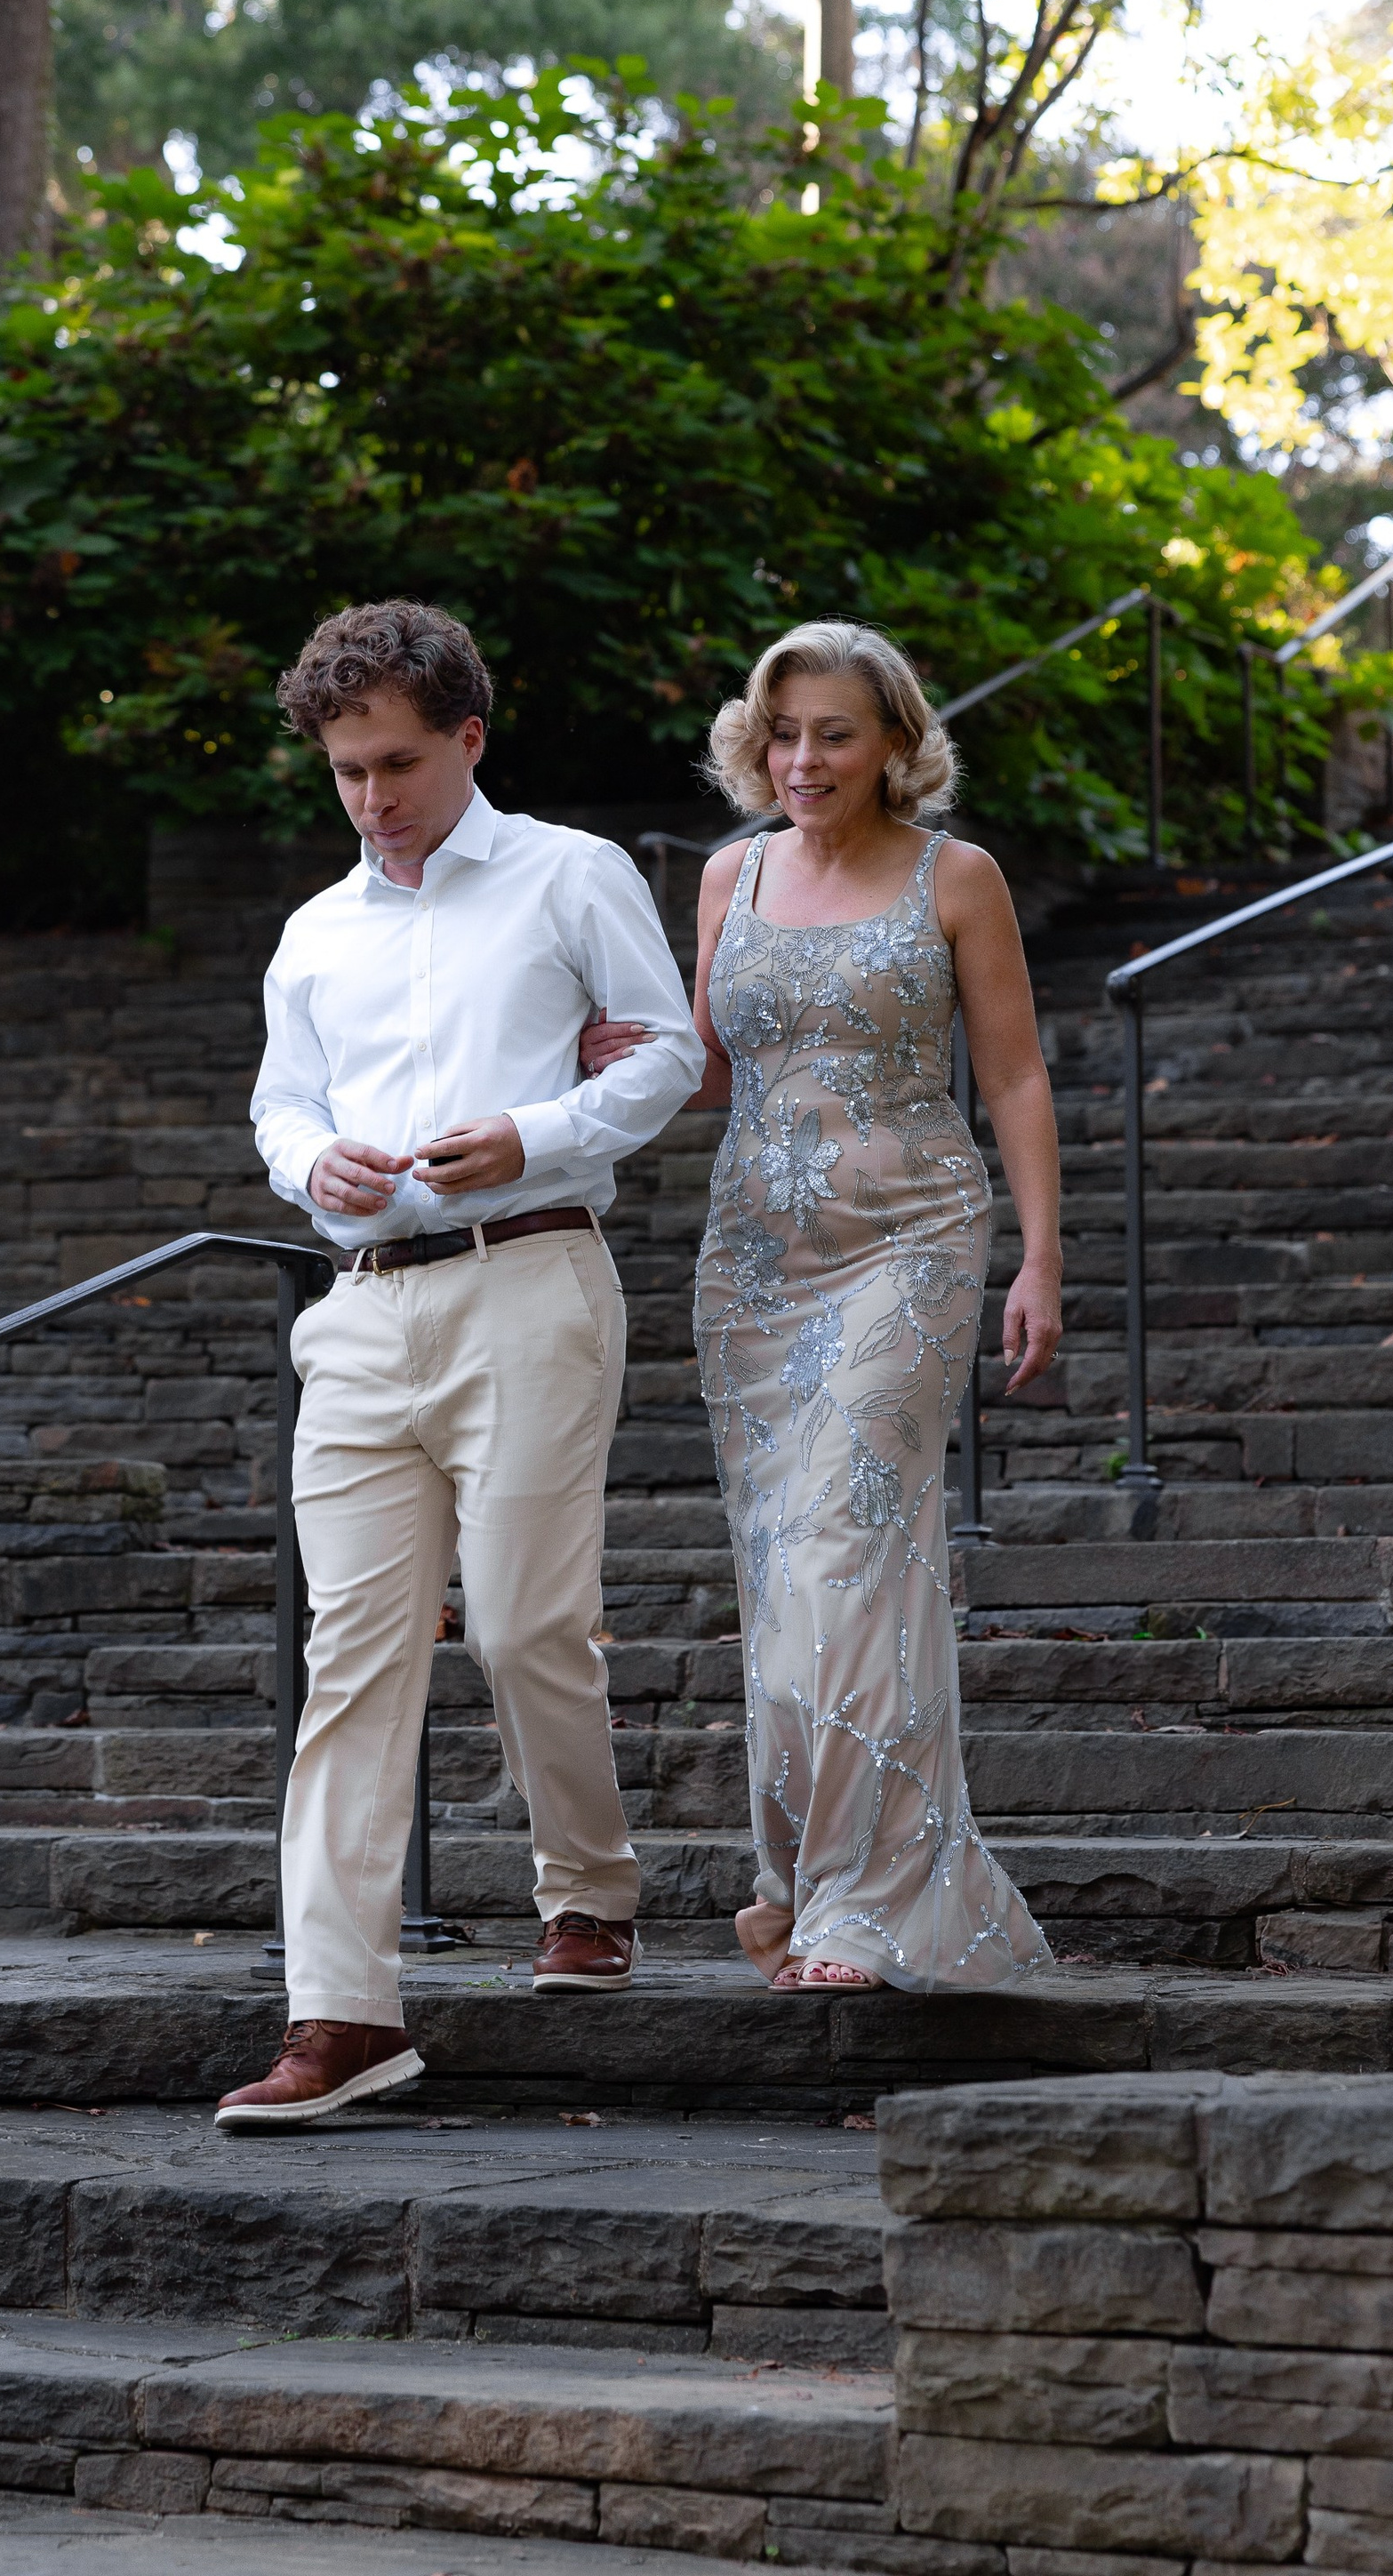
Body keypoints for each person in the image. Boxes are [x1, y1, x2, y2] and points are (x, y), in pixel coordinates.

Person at [215, 599, 705, 2128]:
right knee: (348, 1663)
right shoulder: (315, 932)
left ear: (469, 737)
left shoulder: (572, 872)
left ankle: (592, 1888)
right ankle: (343, 2013)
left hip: (533, 1278)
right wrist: (317, 1171)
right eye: (348, 769)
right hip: (360, 1310)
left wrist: (534, 1132)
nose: (373, 796)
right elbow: (280, 1109)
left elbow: (669, 1048)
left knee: (520, 1622)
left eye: (400, 761)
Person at [582, 619, 1059, 1993]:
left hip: (909, 1242)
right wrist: (582, 1051)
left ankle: (871, 1900)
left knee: (850, 1542)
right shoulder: (729, 875)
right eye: (782, 731)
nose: (802, 758)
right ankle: (801, 1884)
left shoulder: (957, 878)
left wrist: (1042, 1258)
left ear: (897, 742)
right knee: (784, 1575)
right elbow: (712, 1067)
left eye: (835, 732)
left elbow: (1015, 1076)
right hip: (753, 1267)